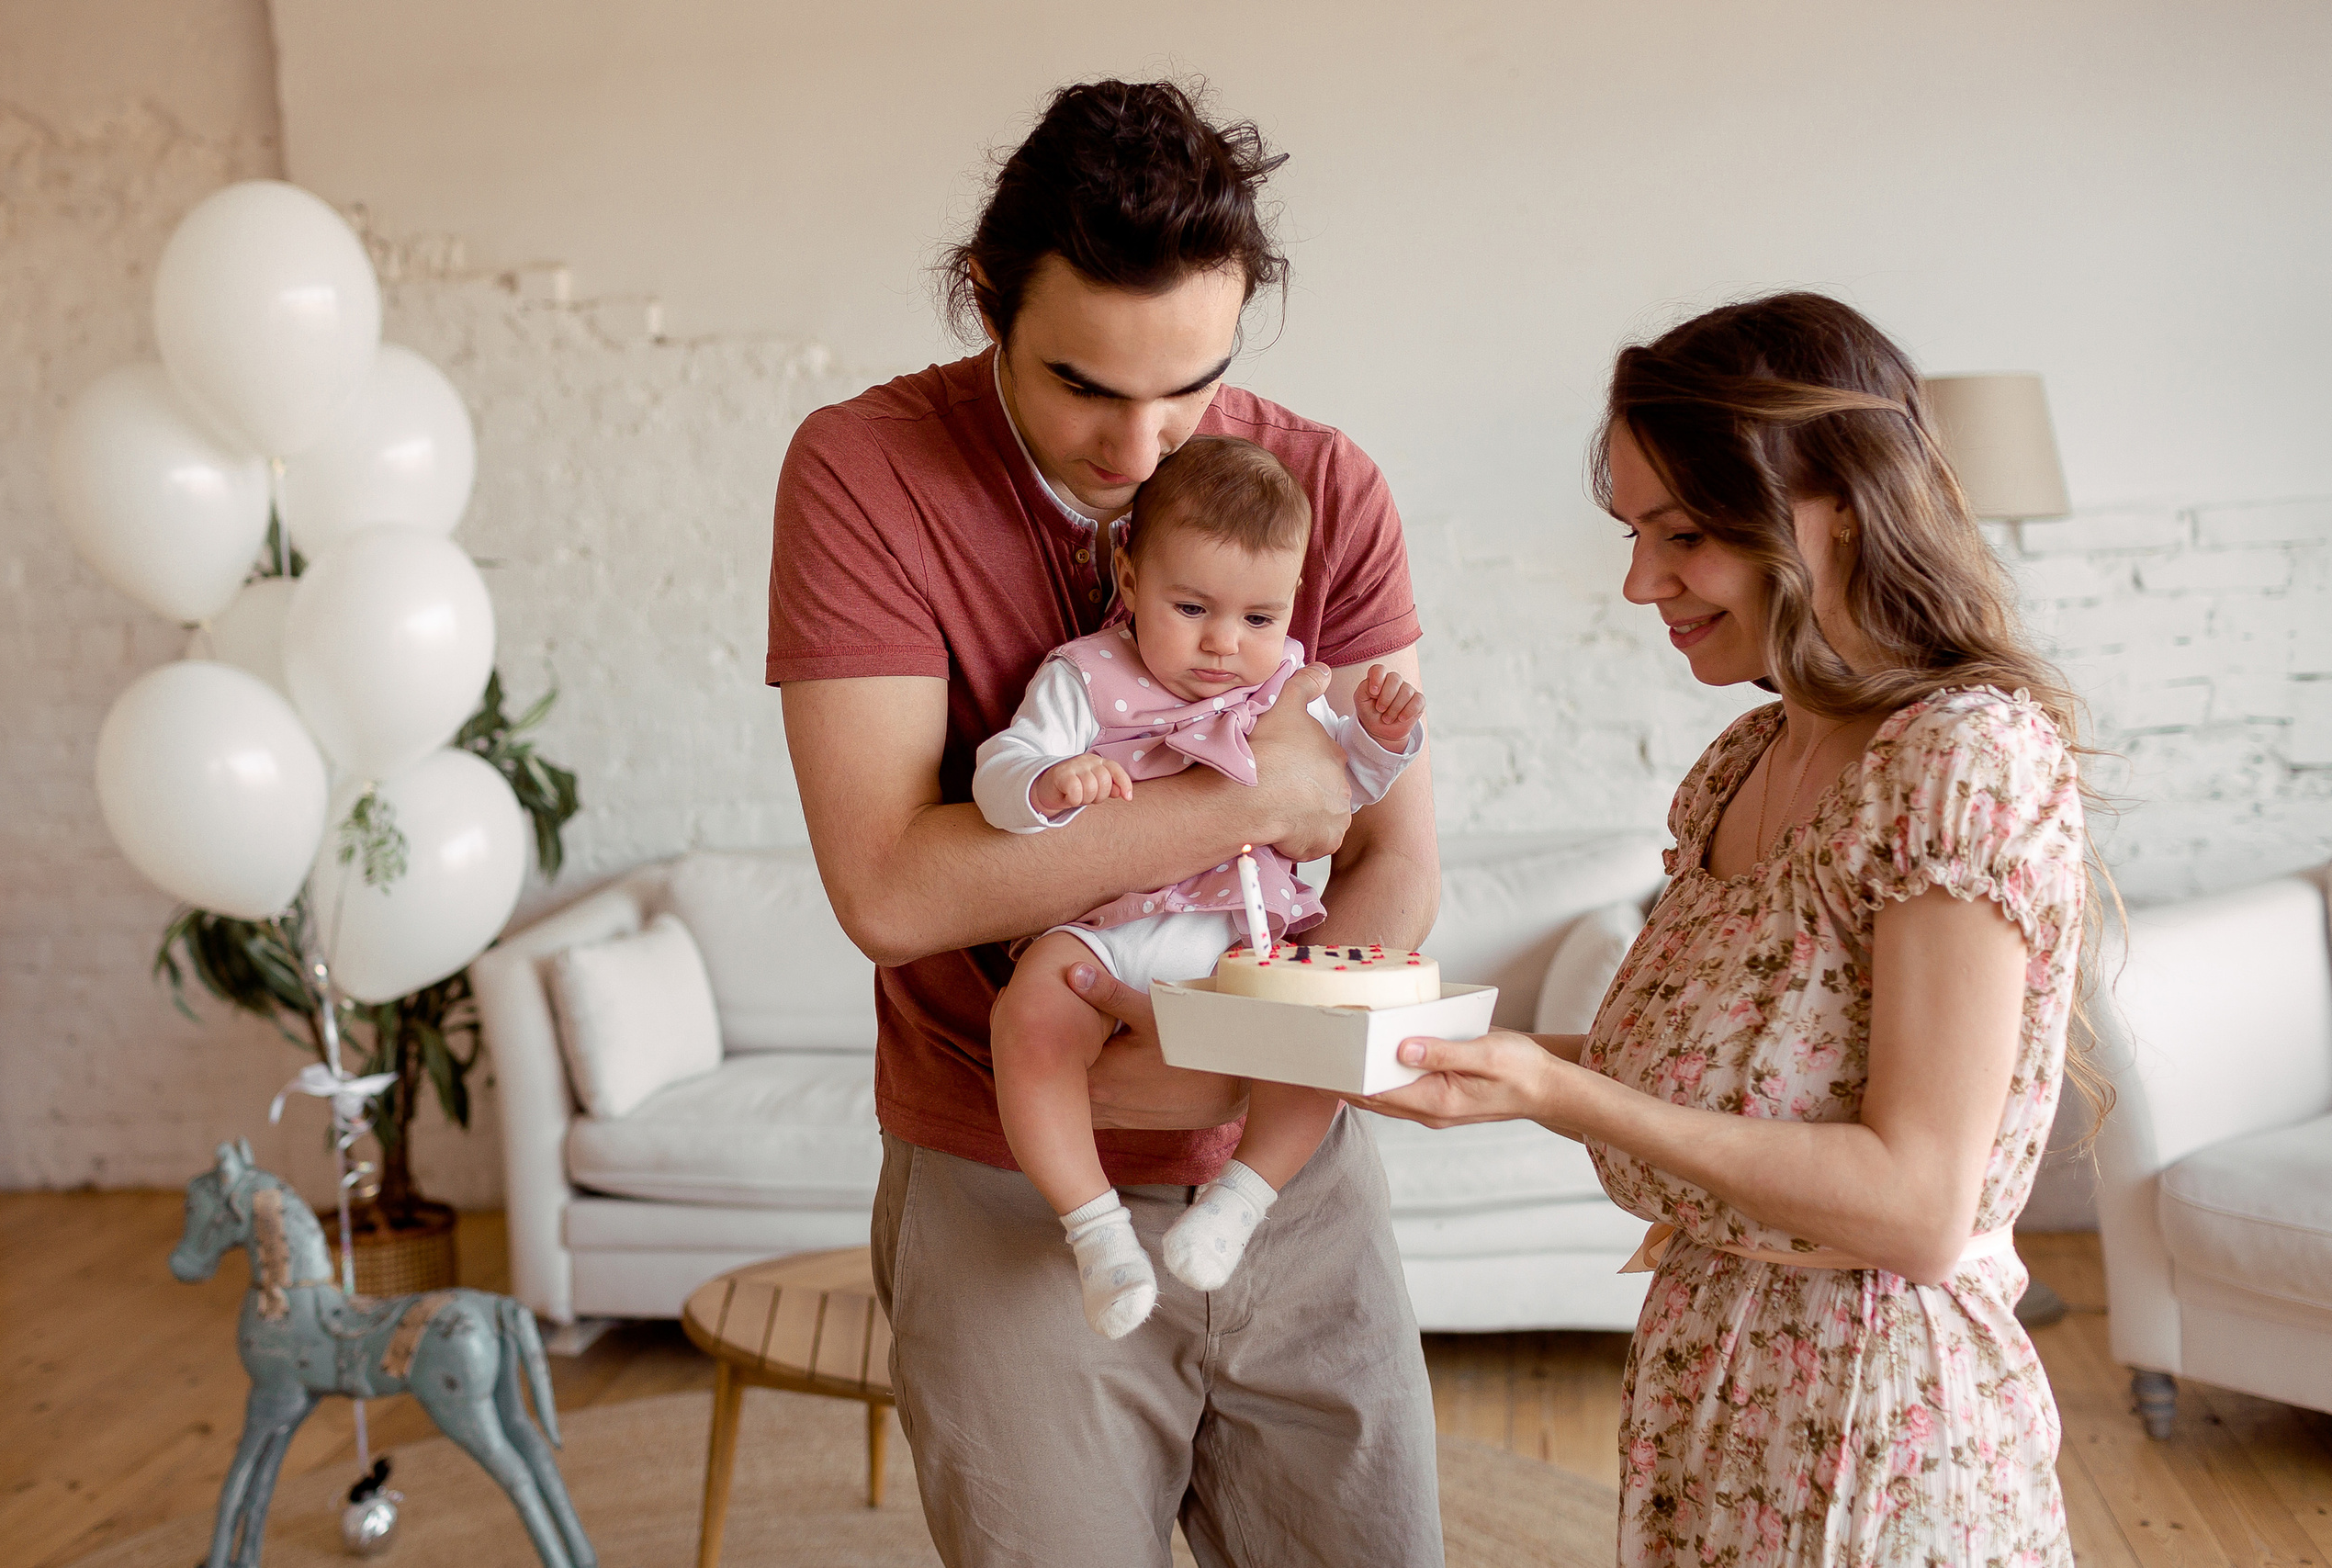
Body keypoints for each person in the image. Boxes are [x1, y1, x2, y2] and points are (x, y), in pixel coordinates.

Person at [768, 80, 1445, 1567]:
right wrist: (1262, 789)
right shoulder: (866, 476)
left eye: (1191, 386)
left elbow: (1394, 848)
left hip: (1292, 1180)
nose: (1143, 449)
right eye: (1083, 385)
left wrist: (1283, 1039)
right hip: (1009, 1192)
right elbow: (890, 886)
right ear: (983, 302)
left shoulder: (1319, 487)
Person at [1356, 292, 2093, 1566]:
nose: (1642, 581)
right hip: (1718, 1392)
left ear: (1840, 504)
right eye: (1635, 532)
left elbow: (1918, 1202)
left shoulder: (1962, 762)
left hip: (1877, 1423)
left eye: (1682, 533)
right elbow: (1736, 1071)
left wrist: (1557, 1092)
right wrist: (1474, 1058)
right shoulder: (1747, 761)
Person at [974, 434, 1426, 1337]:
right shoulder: (1086, 677)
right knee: (1028, 1019)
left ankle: (1238, 1202)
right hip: (1106, 927)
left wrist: (1376, 740)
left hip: (1241, 938)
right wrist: (1046, 783)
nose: (1224, 644)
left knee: (1317, 1043)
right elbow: (1001, 769)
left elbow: (1342, 798)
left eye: (1259, 619)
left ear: (1290, 607)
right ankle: (1095, 1229)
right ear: (1130, 579)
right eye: (1190, 607)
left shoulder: (1290, 688)